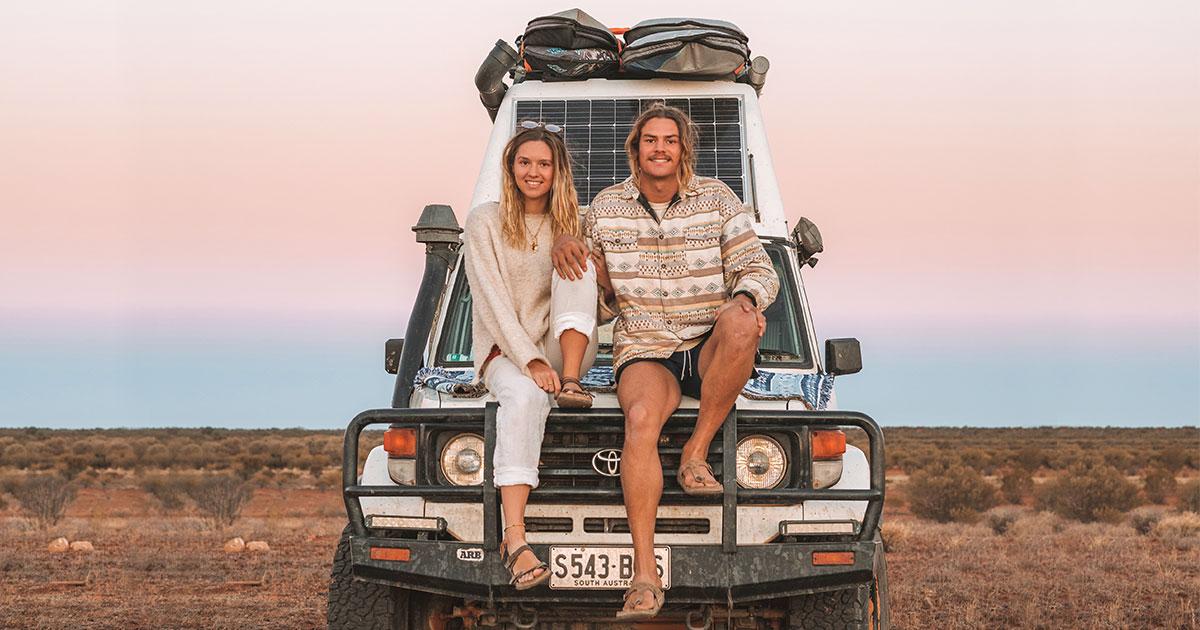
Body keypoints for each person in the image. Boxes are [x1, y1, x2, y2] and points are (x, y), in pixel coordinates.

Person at [551, 104, 779, 618]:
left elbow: (759, 268)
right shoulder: (606, 209)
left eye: (669, 140)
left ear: (683, 148)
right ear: (635, 149)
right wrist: (570, 246)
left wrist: (744, 298)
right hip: (644, 346)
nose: (659, 148)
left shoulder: (719, 198)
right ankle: (645, 576)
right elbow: (591, 294)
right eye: (649, 140)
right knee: (639, 419)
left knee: (744, 320)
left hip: (709, 343)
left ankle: (695, 453)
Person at [463, 121, 599, 590]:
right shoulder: (484, 221)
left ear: (558, 170)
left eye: (544, 163)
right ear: (510, 166)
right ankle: (515, 540)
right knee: (522, 398)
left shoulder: (575, 222)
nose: (534, 172)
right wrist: (531, 362)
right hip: (505, 349)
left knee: (579, 262)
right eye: (525, 162)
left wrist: (574, 246)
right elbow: (492, 301)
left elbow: (603, 301)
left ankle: (576, 380)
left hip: (565, 353)